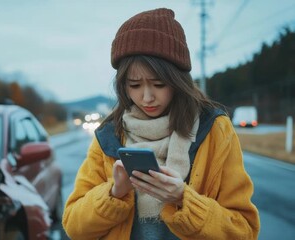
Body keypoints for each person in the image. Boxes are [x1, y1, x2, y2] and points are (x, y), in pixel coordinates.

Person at [62, 8, 260, 240]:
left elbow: (244, 230)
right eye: (134, 85)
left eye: (158, 84)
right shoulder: (109, 134)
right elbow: (73, 226)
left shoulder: (214, 129)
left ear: (177, 81)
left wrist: (182, 199)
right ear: (123, 86)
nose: (147, 97)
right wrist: (115, 193)